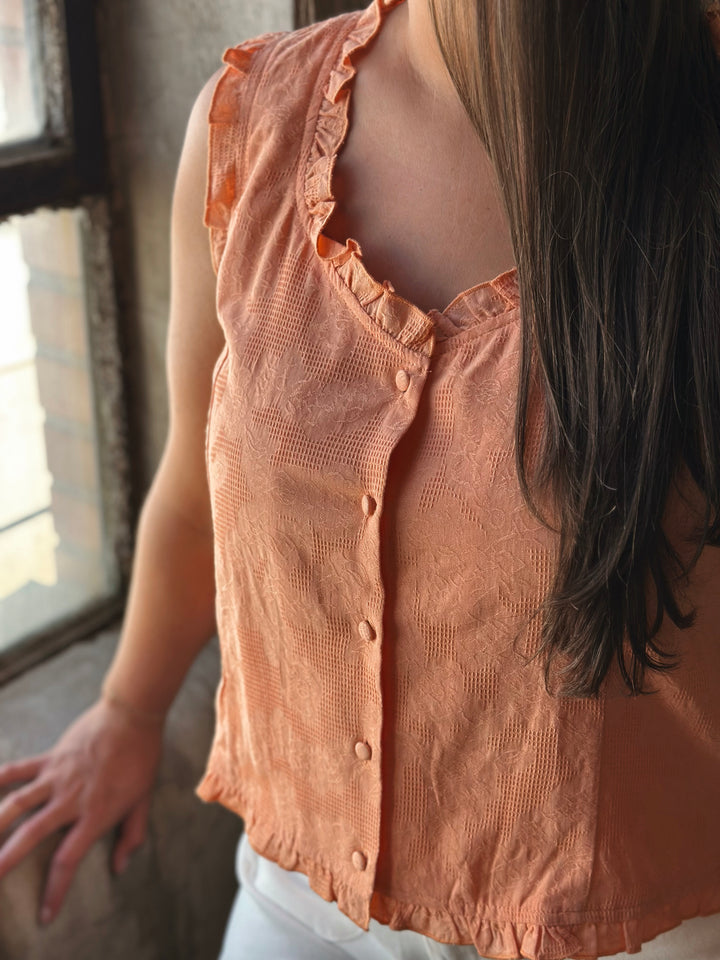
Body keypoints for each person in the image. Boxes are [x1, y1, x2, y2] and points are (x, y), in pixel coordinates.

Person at [1, 0, 719, 958]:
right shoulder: (250, 122)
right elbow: (198, 473)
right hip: (308, 896)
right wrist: (129, 711)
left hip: (633, 917)